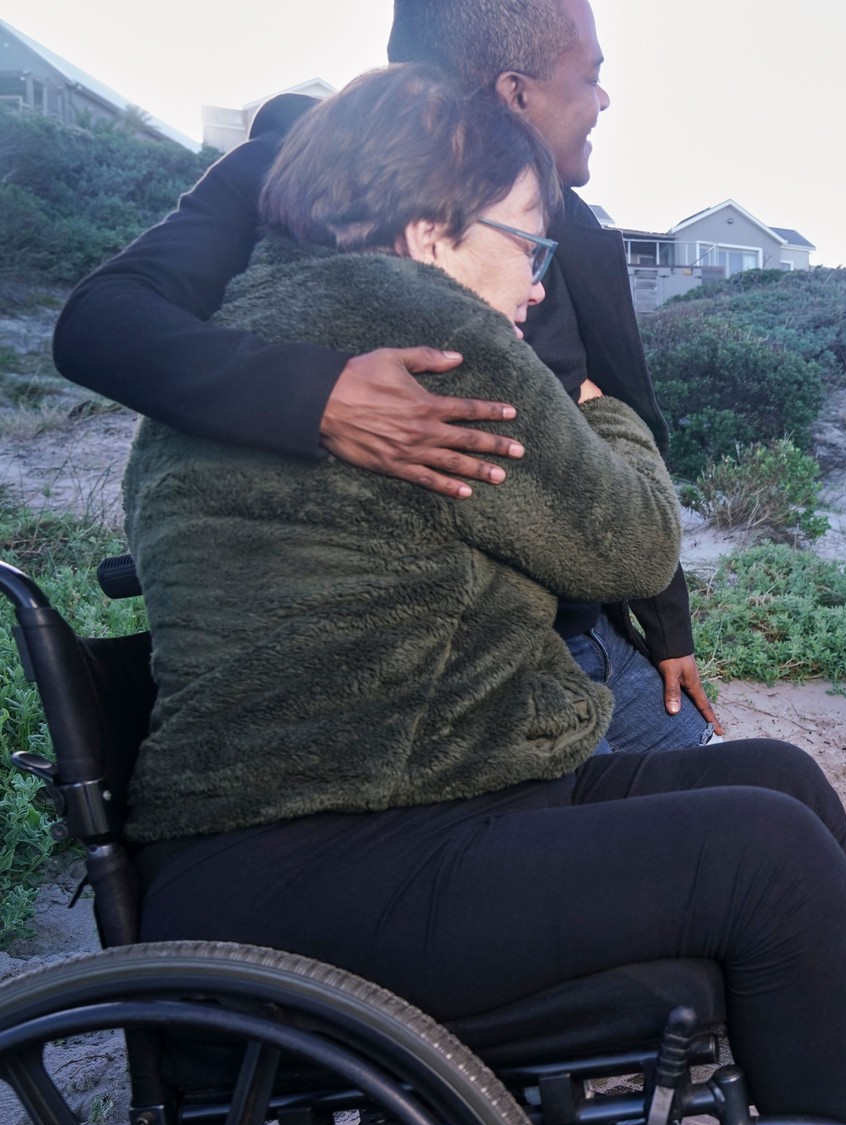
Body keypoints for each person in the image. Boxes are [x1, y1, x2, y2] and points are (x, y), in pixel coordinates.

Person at [119, 66, 846, 1125]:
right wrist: (605, 413)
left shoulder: (256, 319)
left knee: (782, 781)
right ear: (431, 228)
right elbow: (631, 542)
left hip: (338, 828)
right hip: (330, 858)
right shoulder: (430, 331)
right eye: (523, 239)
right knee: (767, 859)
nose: (539, 275)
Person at [53, 0, 719, 756]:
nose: (603, 100)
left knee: (702, 756)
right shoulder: (311, 166)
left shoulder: (575, 226)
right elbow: (100, 322)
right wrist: (319, 395)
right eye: (591, 76)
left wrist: (668, 627)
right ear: (515, 93)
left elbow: (617, 417)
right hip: (423, 659)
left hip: (572, 623)